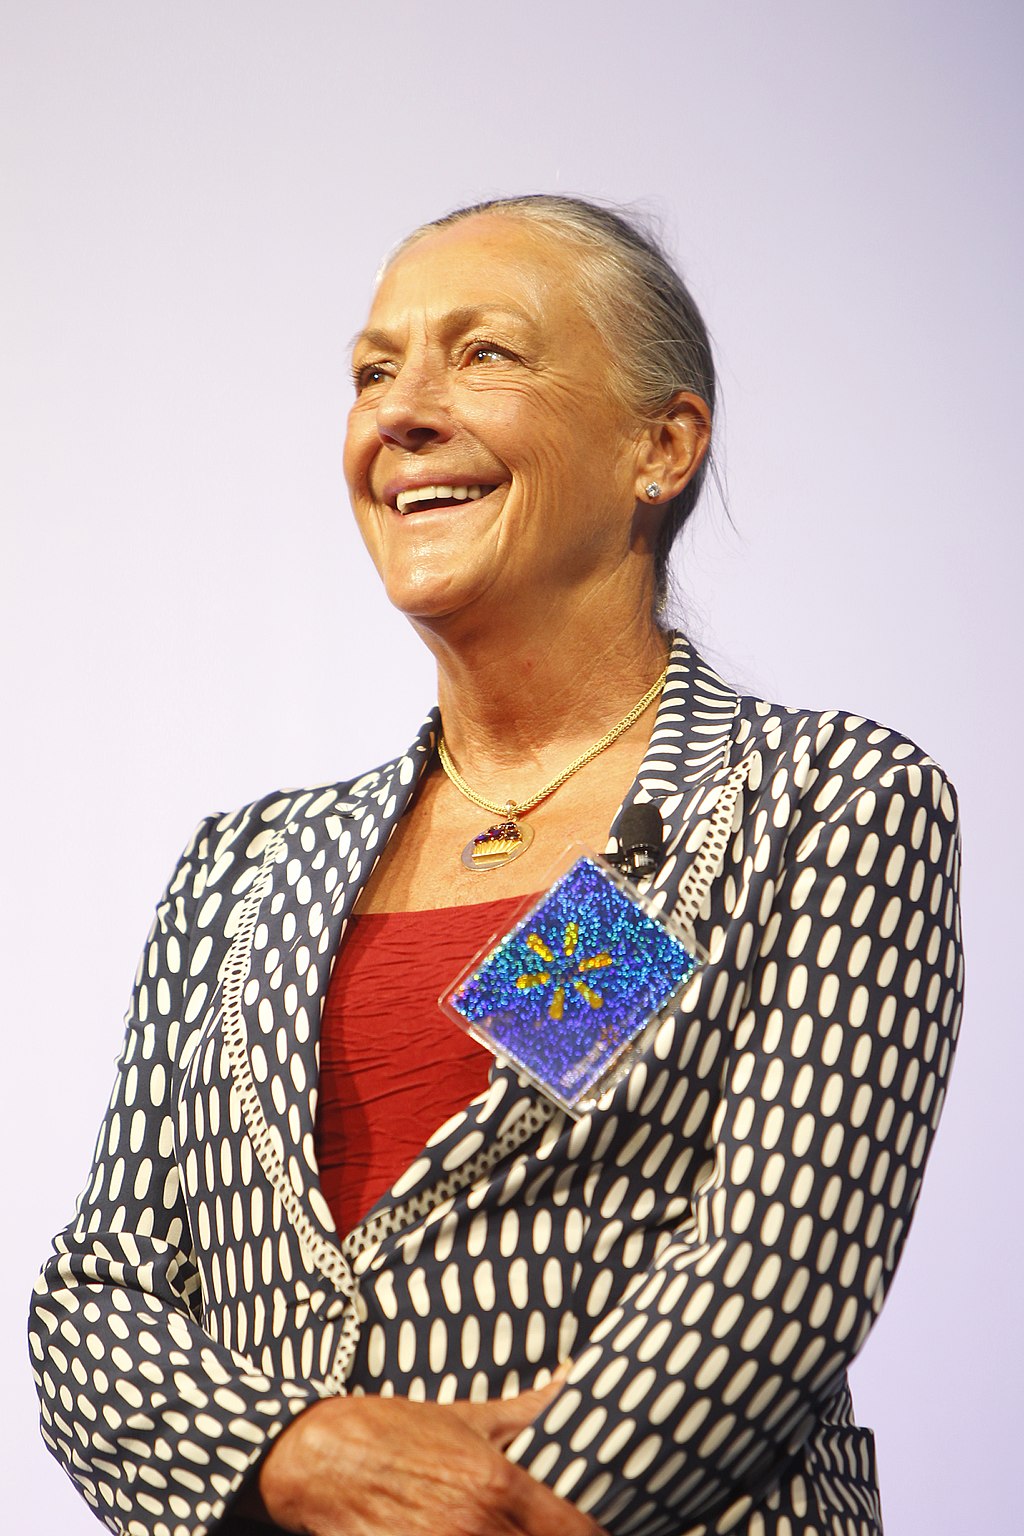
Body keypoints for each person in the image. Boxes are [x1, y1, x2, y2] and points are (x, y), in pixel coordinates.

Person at [29, 194, 963, 1536]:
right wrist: (289, 1455)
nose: (402, 410)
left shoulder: (815, 802)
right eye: (372, 370)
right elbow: (97, 1294)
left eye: (486, 354)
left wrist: (488, 1516)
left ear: (662, 445)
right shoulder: (238, 868)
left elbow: (776, 1271)